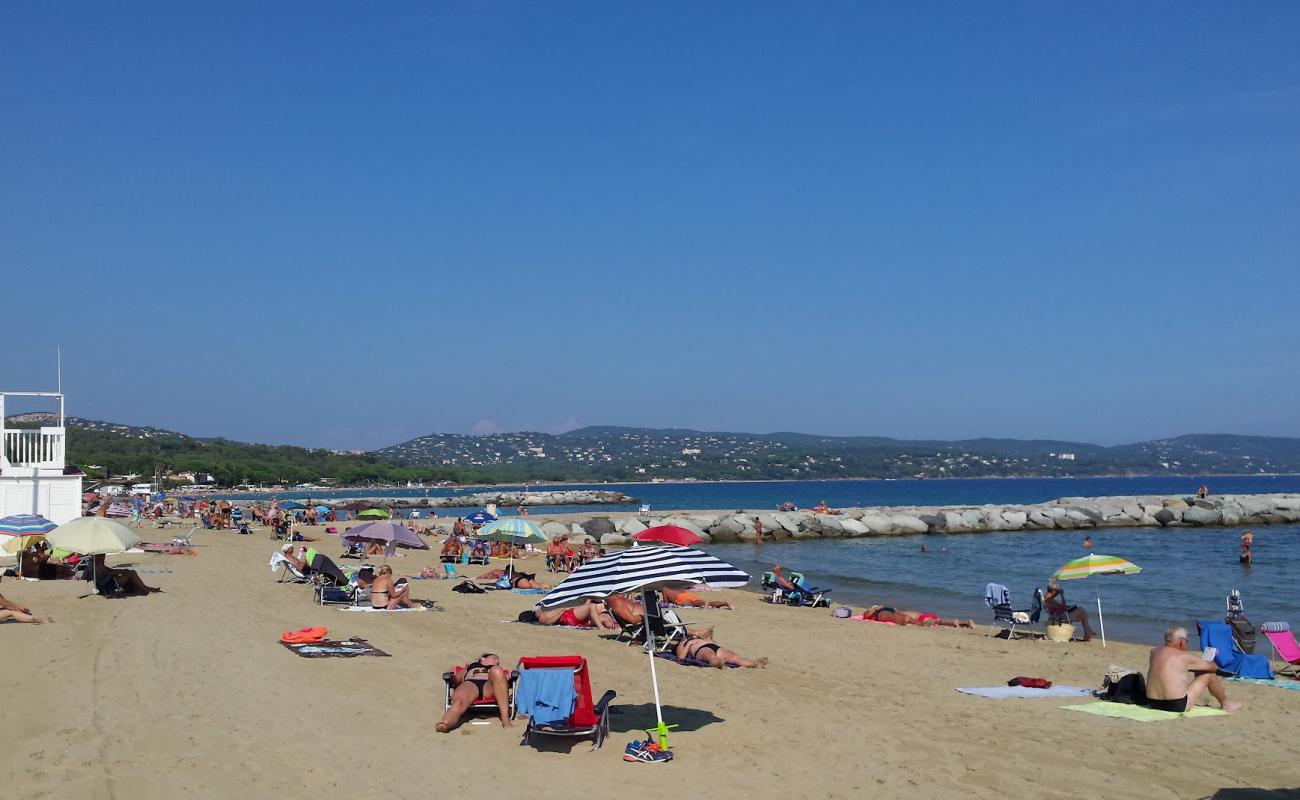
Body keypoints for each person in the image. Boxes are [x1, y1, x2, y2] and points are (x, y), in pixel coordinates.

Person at [1147, 626, 1241, 713]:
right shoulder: (1184, 657)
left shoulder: (1154, 652)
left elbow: (1171, 668)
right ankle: (1225, 703)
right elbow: (1213, 667)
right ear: (1181, 642)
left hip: (1153, 703)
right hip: (1175, 705)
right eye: (1186, 642)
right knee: (1209, 675)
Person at [436, 653, 513, 732]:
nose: (496, 661)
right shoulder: (471, 666)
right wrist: (453, 674)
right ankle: (446, 723)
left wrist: (508, 676)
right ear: (482, 658)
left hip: (489, 686)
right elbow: (457, 679)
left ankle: (505, 719)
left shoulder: (497, 669)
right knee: (459, 702)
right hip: (471, 684)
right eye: (494, 658)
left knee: (496, 670)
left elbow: (504, 683)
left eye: (498, 661)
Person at [1044, 577, 1097, 641]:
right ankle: (1088, 633)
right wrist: (1062, 596)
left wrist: (1068, 607)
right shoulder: (1049, 599)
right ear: (1053, 591)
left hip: (1058, 615)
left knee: (1083, 614)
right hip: (1060, 617)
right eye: (1057, 592)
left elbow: (1059, 607)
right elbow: (1063, 608)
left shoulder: (1047, 597)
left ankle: (1087, 634)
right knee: (1081, 610)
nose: (1058, 594)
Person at [87, 554, 162, 596]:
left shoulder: (94, 563)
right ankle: (146, 589)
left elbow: (108, 571)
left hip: (107, 583)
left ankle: (144, 588)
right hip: (108, 586)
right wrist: (122, 571)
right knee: (131, 573)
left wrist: (122, 571)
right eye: (103, 555)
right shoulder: (97, 565)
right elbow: (109, 572)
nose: (104, 556)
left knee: (130, 573)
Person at [675, 635, 767, 669]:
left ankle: (753, 663)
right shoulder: (682, 643)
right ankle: (719, 662)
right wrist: (688, 643)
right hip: (700, 649)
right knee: (711, 656)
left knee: (734, 657)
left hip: (713, 646)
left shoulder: (694, 638)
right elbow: (680, 659)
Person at [524, 599, 620, 630]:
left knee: (604, 618)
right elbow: (550, 621)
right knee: (591, 606)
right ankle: (601, 628)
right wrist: (562, 610)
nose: (537, 610)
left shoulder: (543, 616)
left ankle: (613, 626)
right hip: (568, 617)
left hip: (570, 617)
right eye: (534, 611)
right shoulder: (542, 618)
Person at [856, 605, 973, 627]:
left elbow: (866, 616)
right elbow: (866, 616)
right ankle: (962, 622)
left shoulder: (894, 613)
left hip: (919, 618)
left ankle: (959, 622)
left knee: (937, 622)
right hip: (920, 616)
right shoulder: (880, 611)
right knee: (938, 621)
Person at [661, 586, 732, 610]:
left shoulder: (664, 589)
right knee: (698, 602)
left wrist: (665, 602)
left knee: (692, 603)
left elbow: (666, 603)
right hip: (688, 595)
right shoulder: (675, 589)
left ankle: (704, 604)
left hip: (682, 598)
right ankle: (724, 603)